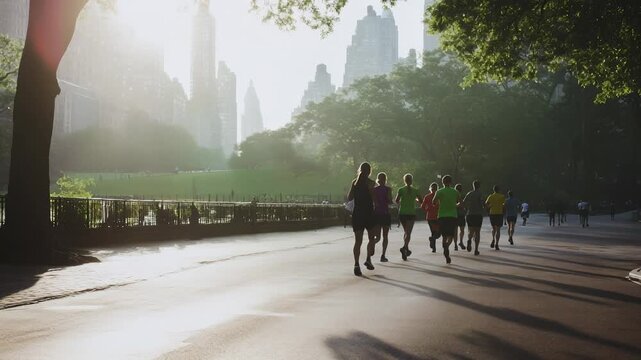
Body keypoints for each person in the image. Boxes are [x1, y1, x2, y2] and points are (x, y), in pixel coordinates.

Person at [347, 162, 379, 276]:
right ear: (369, 171)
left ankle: (356, 264)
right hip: (369, 213)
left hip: (358, 213)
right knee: (371, 238)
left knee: (358, 241)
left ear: (360, 170)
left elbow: (349, 197)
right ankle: (368, 259)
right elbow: (375, 199)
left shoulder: (354, 182)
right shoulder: (371, 183)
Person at [433, 175, 460, 264]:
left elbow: (434, 202)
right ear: (451, 182)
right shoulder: (455, 192)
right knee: (451, 235)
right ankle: (447, 246)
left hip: (442, 216)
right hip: (453, 216)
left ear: (443, 182)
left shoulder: (439, 191)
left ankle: (445, 247)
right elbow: (460, 202)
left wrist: (439, 202)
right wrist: (456, 205)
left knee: (444, 235)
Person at [395, 174, 422, 261]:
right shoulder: (415, 190)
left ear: (404, 180)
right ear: (412, 180)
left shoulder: (401, 190)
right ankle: (404, 248)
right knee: (408, 233)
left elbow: (397, 200)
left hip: (402, 213)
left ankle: (406, 249)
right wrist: (414, 199)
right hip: (411, 213)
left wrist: (403, 200)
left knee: (406, 232)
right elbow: (421, 201)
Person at [373, 172, 393, 262]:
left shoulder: (374, 190)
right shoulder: (388, 189)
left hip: (377, 214)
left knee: (377, 237)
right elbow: (389, 201)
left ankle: (372, 245)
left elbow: (374, 202)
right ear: (385, 179)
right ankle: (383, 255)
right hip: (385, 213)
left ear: (378, 179)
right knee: (385, 236)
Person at [463, 180, 484, 255]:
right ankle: (476, 249)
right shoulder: (480, 194)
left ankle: (469, 239)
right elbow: (482, 203)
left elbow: (463, 202)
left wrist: (466, 208)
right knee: (477, 232)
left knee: (470, 230)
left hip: (470, 214)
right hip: (478, 214)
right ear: (479, 186)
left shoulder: (469, 193)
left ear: (473, 186)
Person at [421, 182, 440, 253]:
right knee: (438, 232)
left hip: (429, 217)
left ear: (430, 189)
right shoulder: (439, 196)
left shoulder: (427, 196)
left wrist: (427, 210)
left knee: (433, 232)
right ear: (437, 188)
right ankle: (432, 239)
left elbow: (422, 207)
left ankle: (434, 248)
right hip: (438, 216)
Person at [485, 185, 505, 250]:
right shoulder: (502, 196)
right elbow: (504, 204)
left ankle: (493, 239)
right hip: (499, 213)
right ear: (499, 190)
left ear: (493, 190)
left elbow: (486, 204)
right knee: (498, 230)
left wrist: (490, 206)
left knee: (493, 228)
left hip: (492, 213)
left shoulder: (490, 196)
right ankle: (497, 244)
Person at [454, 184, 466, 251]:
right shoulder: (460, 196)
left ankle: (456, 244)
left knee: (456, 231)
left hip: (455, 215)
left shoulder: (454, 195)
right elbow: (462, 204)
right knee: (461, 230)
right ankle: (460, 242)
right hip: (460, 215)